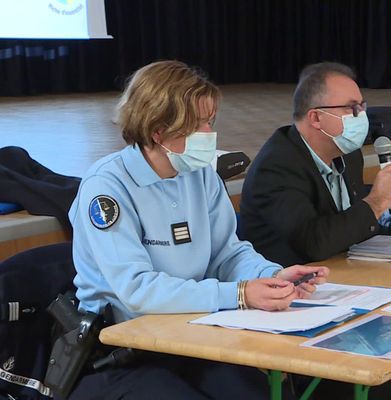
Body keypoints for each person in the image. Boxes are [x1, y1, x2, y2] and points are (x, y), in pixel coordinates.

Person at [67, 60, 328, 400]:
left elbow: (227, 252)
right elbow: (136, 292)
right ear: (158, 130)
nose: (209, 134)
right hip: (124, 347)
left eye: (210, 121)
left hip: (192, 330)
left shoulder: (200, 173)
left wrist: (271, 277)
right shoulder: (107, 188)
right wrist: (237, 295)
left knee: (255, 393)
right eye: (197, 125)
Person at [239, 62, 391, 268]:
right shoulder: (275, 168)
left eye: (362, 106)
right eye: (351, 108)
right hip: (293, 282)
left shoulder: (348, 152)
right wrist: (377, 202)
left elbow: (349, 226)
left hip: (344, 269)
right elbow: (313, 243)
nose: (361, 116)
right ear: (316, 118)